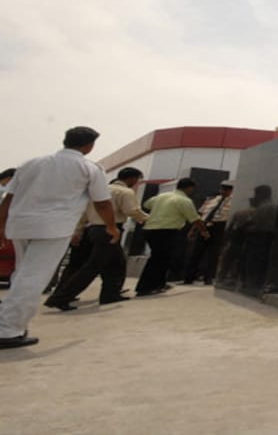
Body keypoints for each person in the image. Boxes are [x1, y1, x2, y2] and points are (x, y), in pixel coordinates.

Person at [0, 127, 117, 349]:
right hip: (53, 228)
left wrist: (0, 226)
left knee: (22, 273)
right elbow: (102, 203)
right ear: (89, 145)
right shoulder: (89, 168)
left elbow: (8, 199)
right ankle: (8, 329)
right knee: (33, 277)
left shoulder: (31, 163)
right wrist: (111, 226)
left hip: (20, 225)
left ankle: (10, 321)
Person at [44, 167, 149, 310]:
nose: (136, 182)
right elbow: (131, 210)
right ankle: (61, 297)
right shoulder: (125, 192)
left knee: (116, 264)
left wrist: (78, 232)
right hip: (110, 230)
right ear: (132, 178)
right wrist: (148, 218)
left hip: (94, 229)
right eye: (137, 179)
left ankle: (110, 294)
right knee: (93, 266)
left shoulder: (99, 191)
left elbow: (84, 215)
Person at [136, 178, 208, 296]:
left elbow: (146, 204)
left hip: (149, 230)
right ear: (189, 188)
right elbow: (195, 219)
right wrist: (204, 232)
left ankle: (158, 284)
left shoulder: (162, 196)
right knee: (158, 260)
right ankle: (145, 287)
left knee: (161, 259)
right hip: (166, 232)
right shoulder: (185, 201)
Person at [183, 180, 233, 285]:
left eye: (226, 189)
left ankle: (208, 277)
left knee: (213, 253)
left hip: (219, 226)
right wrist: (193, 229)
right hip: (204, 225)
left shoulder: (233, 201)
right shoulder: (212, 199)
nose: (223, 191)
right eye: (222, 188)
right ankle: (189, 277)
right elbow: (200, 215)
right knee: (196, 251)